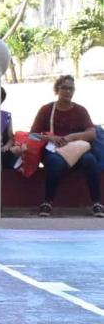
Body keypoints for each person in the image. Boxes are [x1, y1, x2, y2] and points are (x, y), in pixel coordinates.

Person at [30, 75, 103, 217]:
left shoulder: (80, 110)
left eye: (71, 89)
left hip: (77, 152)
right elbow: (32, 135)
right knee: (55, 162)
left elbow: (92, 134)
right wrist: (52, 138)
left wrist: (71, 138)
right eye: (64, 88)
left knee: (90, 161)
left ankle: (97, 203)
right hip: (53, 150)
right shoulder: (46, 110)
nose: (68, 92)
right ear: (57, 89)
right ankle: (47, 202)